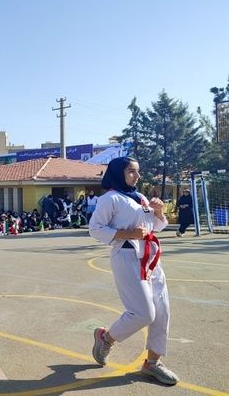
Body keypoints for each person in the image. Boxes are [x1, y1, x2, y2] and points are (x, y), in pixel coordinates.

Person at [88, 156, 179, 386]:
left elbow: (154, 226)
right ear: (119, 173)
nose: (137, 176)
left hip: (149, 256)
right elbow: (95, 229)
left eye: (138, 171)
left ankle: (152, 363)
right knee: (143, 313)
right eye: (131, 171)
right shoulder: (109, 199)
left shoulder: (139, 197)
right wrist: (127, 234)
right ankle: (106, 338)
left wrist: (158, 212)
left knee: (162, 310)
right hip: (126, 256)